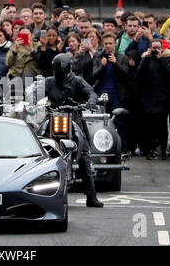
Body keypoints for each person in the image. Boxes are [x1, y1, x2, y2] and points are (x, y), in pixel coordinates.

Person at [45, 54, 103, 208]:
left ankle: (91, 196)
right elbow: (34, 93)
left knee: (84, 155)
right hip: (52, 119)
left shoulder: (77, 81)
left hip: (74, 120)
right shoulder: (49, 82)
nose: (61, 76)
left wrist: (90, 103)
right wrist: (32, 100)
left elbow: (91, 92)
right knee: (40, 143)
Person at [137, 40, 170, 160]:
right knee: (149, 126)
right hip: (148, 98)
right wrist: (147, 58)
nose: (155, 50)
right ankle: (150, 149)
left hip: (162, 99)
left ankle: (162, 149)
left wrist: (160, 59)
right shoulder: (146, 59)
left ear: (162, 49)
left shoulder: (166, 59)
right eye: (154, 48)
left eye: (158, 48)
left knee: (162, 126)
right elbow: (139, 72)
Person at [93, 33, 130, 153]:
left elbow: (125, 74)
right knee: (100, 122)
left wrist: (115, 63)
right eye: (106, 44)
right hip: (101, 94)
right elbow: (94, 76)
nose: (108, 46)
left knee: (118, 122)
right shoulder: (99, 57)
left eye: (110, 43)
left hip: (116, 95)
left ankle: (122, 150)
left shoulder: (122, 58)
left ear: (115, 43)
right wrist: (103, 66)